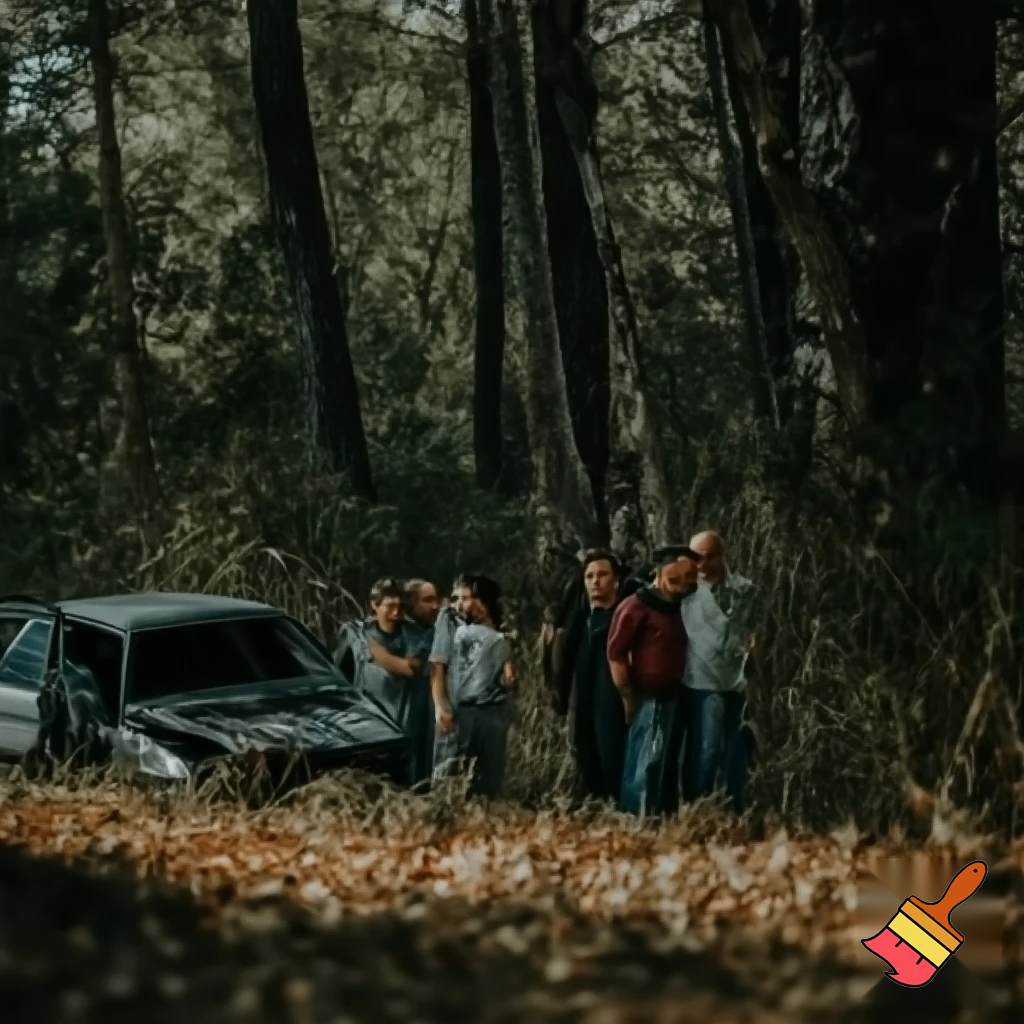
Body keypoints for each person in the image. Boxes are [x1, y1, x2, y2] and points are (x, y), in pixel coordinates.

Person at [607, 544, 702, 816]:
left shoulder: (679, 606)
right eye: (674, 580)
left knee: (661, 761)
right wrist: (627, 696)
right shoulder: (636, 607)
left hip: (673, 694)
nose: (679, 588)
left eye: (687, 581)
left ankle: (654, 815)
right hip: (647, 696)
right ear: (659, 574)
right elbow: (616, 654)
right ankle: (636, 817)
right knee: (645, 760)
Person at [680, 530, 757, 811]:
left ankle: (733, 812)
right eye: (697, 557)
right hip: (701, 683)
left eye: (710, 556)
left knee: (735, 751)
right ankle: (696, 810)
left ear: (722, 556)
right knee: (706, 750)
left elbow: (754, 636)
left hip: (736, 683)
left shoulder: (744, 591)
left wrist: (755, 681)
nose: (703, 564)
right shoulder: (684, 591)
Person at [430, 573, 517, 798]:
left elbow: (506, 671)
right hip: (459, 709)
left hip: (491, 710)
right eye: (455, 597)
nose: (459, 603)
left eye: (466, 597)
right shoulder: (449, 621)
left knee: (489, 778)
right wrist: (440, 705)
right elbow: (437, 666)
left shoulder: (496, 628)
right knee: (449, 777)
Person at [554, 549, 628, 802]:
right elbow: (564, 666)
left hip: (615, 705)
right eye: (589, 576)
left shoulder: (624, 618)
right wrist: (562, 701)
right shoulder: (579, 621)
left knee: (613, 759)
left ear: (616, 580)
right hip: (584, 704)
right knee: (586, 757)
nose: (595, 581)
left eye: (602, 575)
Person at [358, 578, 432, 787]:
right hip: (373, 710)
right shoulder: (360, 633)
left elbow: (411, 668)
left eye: (400, 606)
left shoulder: (414, 634)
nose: (396, 612)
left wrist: (378, 654)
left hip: (407, 714)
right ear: (375, 605)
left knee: (409, 767)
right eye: (390, 606)